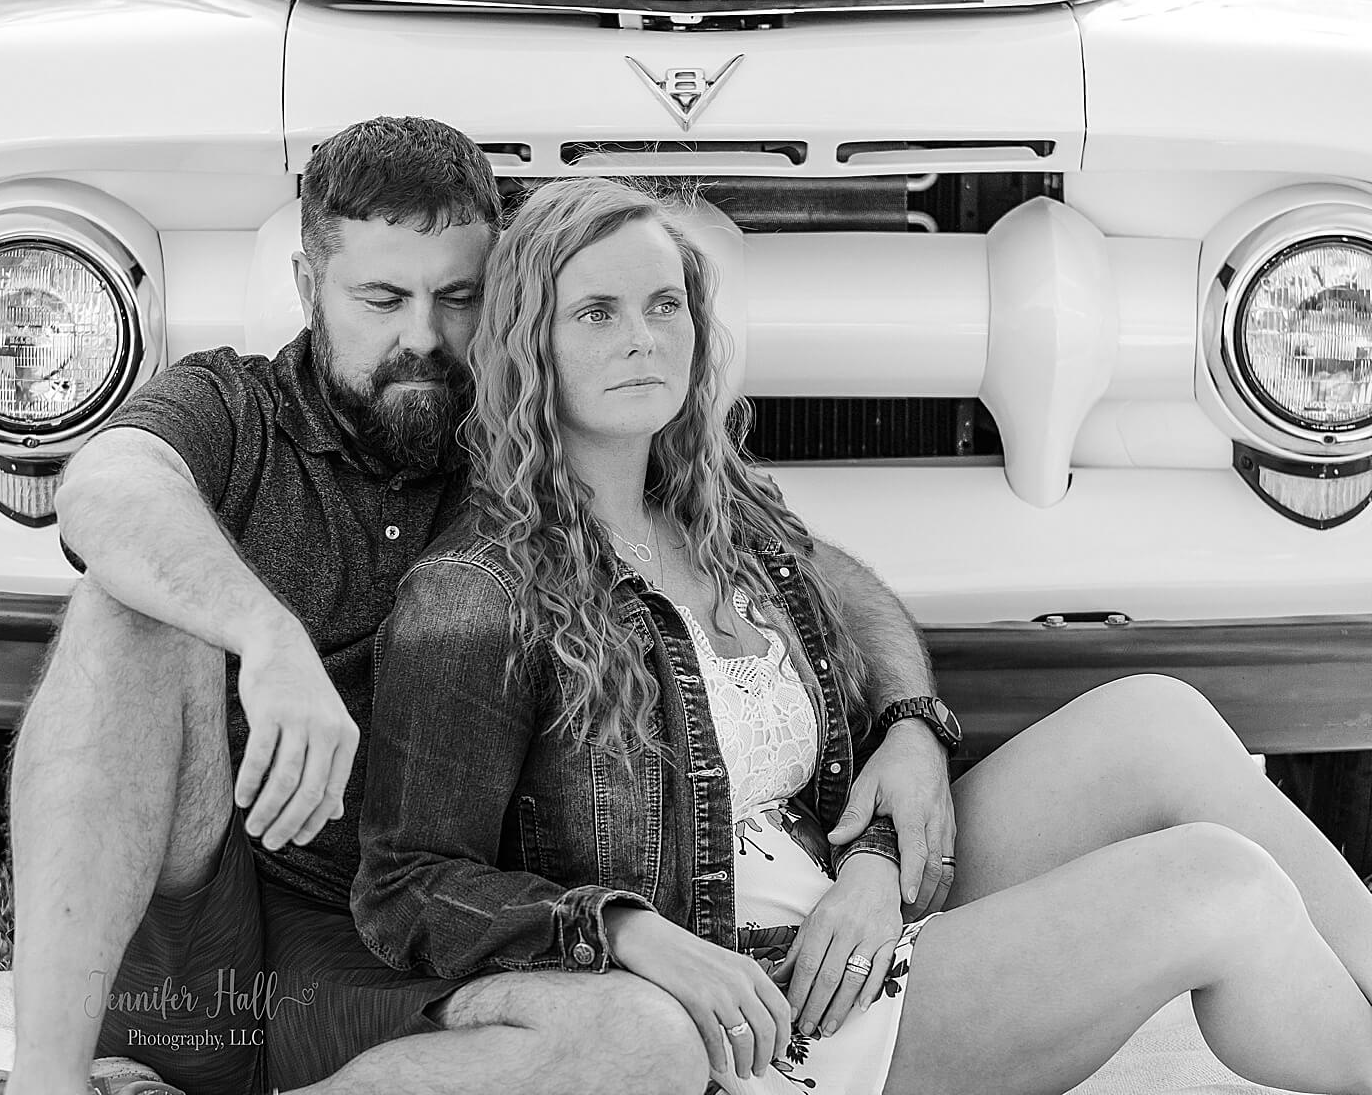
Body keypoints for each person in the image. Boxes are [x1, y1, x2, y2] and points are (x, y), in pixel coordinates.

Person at [0, 119, 951, 1095]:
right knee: (131, 605)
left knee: (647, 1042)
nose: (422, 336)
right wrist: (265, 634)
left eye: (456, 298)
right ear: (306, 281)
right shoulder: (237, 410)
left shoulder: (537, 441)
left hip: (400, 959)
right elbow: (105, 491)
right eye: (380, 298)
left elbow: (814, 576)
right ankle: (49, 1083)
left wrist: (907, 721)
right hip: (198, 937)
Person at [356, 176, 1372, 1095]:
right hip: (772, 999)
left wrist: (895, 793)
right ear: (529, 341)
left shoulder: (715, 514)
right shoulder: (476, 590)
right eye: (596, 312)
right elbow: (407, 887)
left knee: (1156, 718)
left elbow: (857, 629)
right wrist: (624, 932)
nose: (642, 339)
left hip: (845, 894)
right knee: (1218, 885)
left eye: (664, 305)